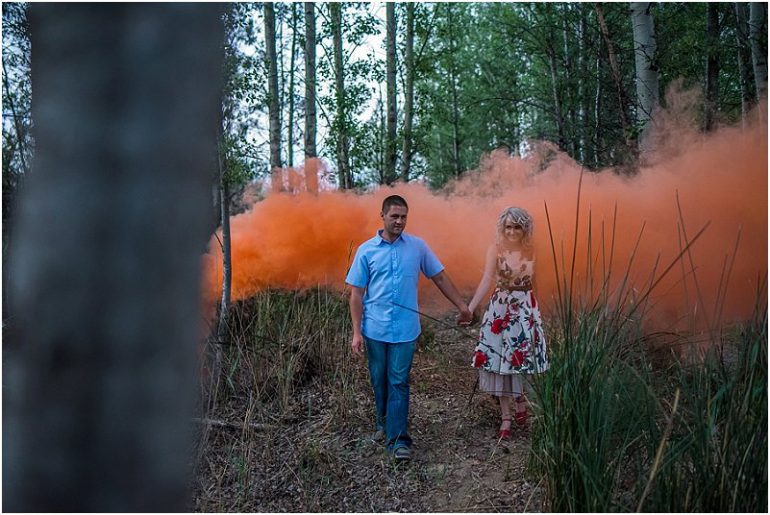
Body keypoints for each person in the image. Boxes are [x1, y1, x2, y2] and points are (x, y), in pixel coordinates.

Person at [346, 194, 472, 461]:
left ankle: (398, 440)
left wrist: (462, 306)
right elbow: (356, 294)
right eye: (394, 216)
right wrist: (356, 333)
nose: (399, 221)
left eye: (403, 217)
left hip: (405, 330)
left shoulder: (417, 247)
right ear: (382, 216)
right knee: (379, 380)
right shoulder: (366, 251)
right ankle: (383, 423)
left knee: (398, 381)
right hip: (375, 329)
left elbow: (439, 277)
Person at [468, 207, 549, 440]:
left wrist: (539, 313)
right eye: (508, 227)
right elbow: (487, 279)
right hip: (501, 309)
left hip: (525, 308)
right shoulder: (495, 249)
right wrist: (470, 309)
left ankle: (520, 399)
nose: (512, 231)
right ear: (503, 228)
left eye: (517, 227)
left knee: (520, 358)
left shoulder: (533, 250)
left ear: (525, 229)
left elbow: (537, 282)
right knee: (500, 361)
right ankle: (506, 417)